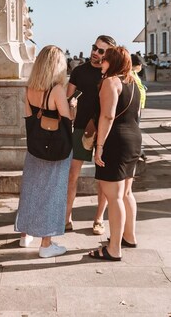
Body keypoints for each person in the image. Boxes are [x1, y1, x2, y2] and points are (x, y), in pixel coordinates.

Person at [15, 45, 72, 257]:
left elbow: (29, 120)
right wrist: (71, 105)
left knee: (31, 189)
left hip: (35, 148)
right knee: (52, 193)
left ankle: (25, 234)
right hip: (56, 149)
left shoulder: (29, 89)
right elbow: (66, 120)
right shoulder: (57, 90)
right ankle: (46, 244)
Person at [89, 46, 141, 262]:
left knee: (114, 196)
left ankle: (114, 248)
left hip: (116, 141)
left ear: (112, 62)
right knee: (127, 192)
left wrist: (99, 146)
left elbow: (108, 117)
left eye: (104, 59)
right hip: (133, 139)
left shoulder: (111, 82)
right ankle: (129, 236)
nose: (101, 62)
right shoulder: (132, 82)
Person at [66, 35, 117, 236]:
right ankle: (67, 217)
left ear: (109, 54)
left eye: (101, 50)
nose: (95, 52)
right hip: (80, 128)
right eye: (94, 47)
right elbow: (68, 97)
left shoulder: (111, 75)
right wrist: (71, 104)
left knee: (102, 178)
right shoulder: (79, 71)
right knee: (72, 175)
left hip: (105, 131)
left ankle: (98, 219)